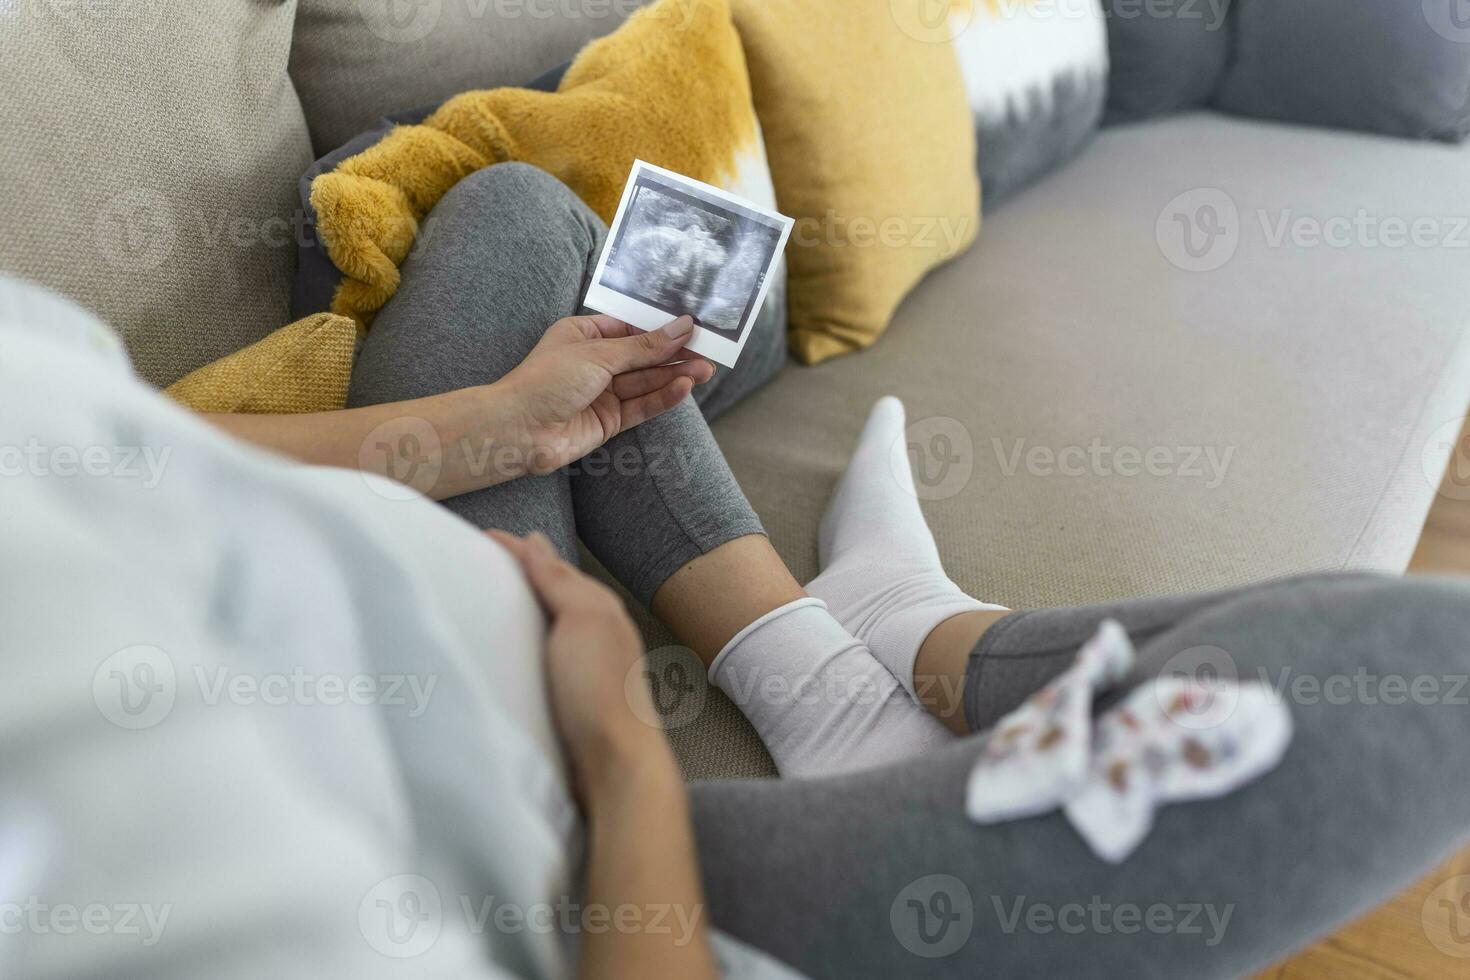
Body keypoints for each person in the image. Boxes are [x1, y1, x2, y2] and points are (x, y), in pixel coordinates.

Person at [4, 162, 1470, 979]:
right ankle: (881, 642)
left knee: (525, 221)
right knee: (1433, 674)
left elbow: (146, 462)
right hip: (574, 875)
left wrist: (469, 433)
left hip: (453, 578)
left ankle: (841, 660)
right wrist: (619, 759)